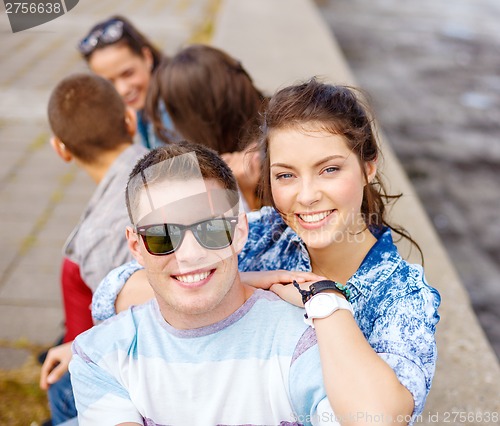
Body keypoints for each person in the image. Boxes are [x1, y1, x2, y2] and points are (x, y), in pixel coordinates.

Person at [93, 79, 441, 424]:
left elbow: (380, 419)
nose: (306, 196)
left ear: (368, 167)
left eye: (329, 170)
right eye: (286, 176)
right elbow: (114, 292)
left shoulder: (401, 295)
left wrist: (324, 301)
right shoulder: (263, 233)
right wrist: (244, 283)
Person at [40, 73, 148, 425]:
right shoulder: (167, 163)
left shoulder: (99, 235)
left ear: (61, 149)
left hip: (134, 370)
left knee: (60, 386)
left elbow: (131, 330)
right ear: (129, 120)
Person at [146, 44, 266, 210]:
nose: (171, 128)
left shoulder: (264, 162)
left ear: (202, 115)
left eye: (174, 113)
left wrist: (245, 196)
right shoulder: (267, 125)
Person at [78, 15, 174, 149]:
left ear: (147, 57)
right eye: (109, 83)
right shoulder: (145, 103)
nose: (122, 90)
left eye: (128, 73)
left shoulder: (172, 106)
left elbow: (179, 169)